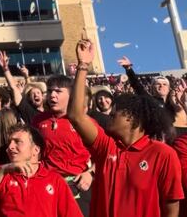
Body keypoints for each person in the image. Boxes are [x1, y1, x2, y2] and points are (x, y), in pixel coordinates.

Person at [69, 38, 182, 217]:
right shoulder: (106, 147)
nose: (112, 114)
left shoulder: (163, 154)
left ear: (133, 118)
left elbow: (171, 207)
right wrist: (83, 66)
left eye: (117, 111)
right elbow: (76, 116)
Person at [0, 124, 80, 217]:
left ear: (35, 150)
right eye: (9, 143)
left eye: (18, 142)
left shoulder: (55, 180)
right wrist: (5, 170)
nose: (10, 147)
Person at [31, 73, 94, 215]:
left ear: (71, 95)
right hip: (47, 185)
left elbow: (105, 152)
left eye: (58, 91)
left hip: (78, 186)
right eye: (50, 91)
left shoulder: (83, 121)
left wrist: (91, 173)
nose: (52, 95)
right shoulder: (37, 121)